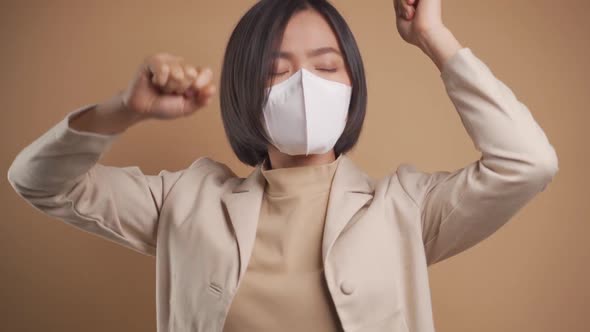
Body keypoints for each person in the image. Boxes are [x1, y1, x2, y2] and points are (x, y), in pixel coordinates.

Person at [7, 0, 559, 331]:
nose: (304, 86)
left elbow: (528, 162)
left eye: (325, 66)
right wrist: (125, 110)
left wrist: (434, 37)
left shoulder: (405, 211)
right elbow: (37, 181)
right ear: (246, 90)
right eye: (277, 71)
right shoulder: (186, 202)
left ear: (352, 87)